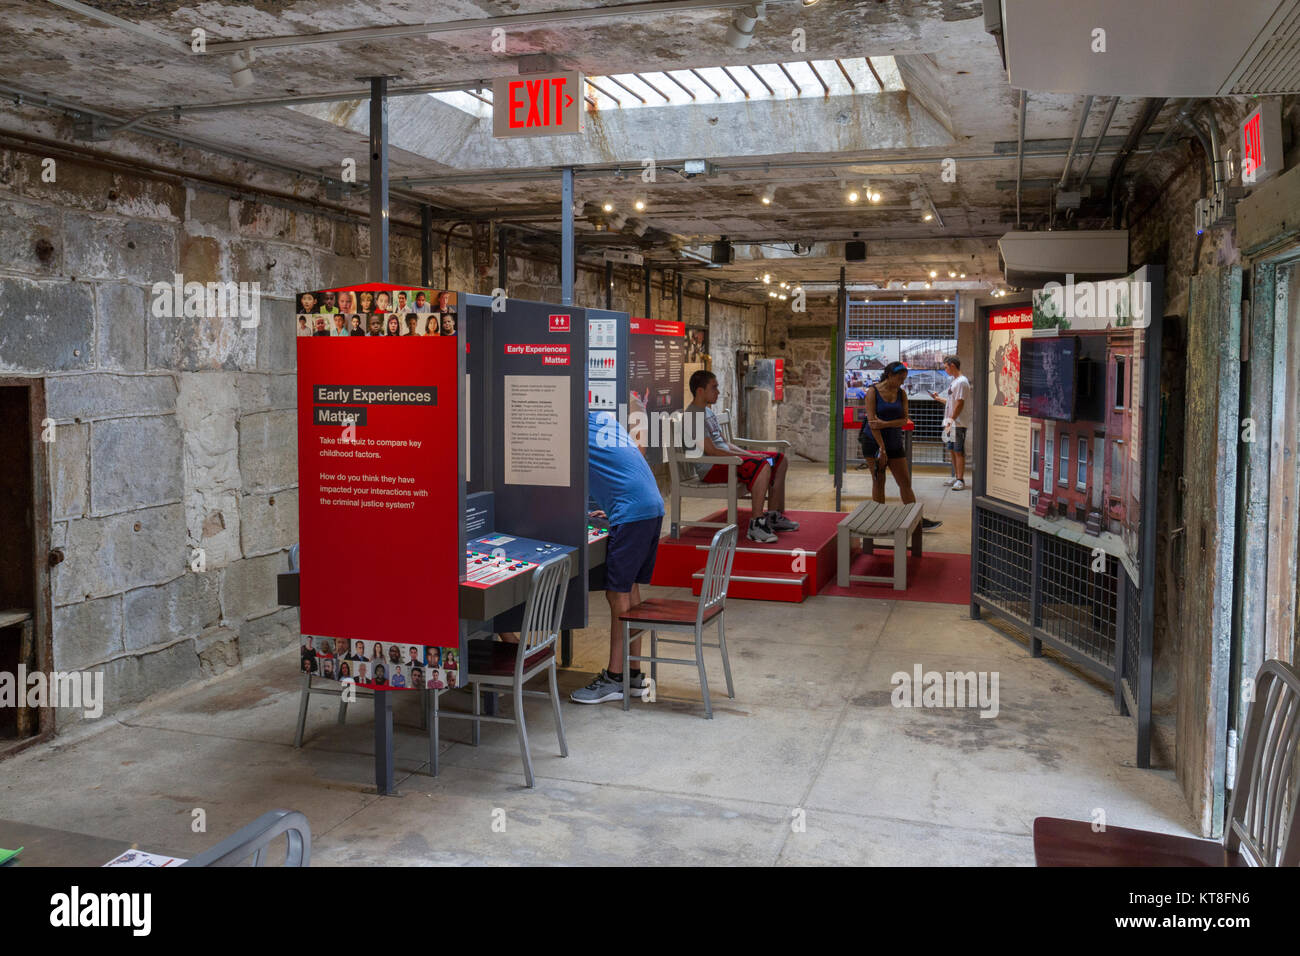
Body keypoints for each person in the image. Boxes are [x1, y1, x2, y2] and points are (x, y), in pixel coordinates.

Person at [571, 409, 664, 705]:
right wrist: (612, 508)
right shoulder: (602, 419)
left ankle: (614, 678)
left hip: (632, 512)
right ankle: (633, 675)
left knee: (617, 594)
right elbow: (620, 467)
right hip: (650, 506)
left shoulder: (572, 428)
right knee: (631, 590)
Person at [683, 369, 798, 544]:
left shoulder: (707, 412)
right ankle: (756, 525)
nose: (718, 392)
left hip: (726, 459)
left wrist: (750, 454)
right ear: (700, 391)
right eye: (714, 387)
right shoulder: (692, 416)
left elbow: (725, 444)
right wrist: (749, 459)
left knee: (778, 460)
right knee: (762, 466)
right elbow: (712, 451)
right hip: (712, 467)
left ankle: (773, 516)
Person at [862, 361, 942, 530]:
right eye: (899, 378)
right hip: (874, 442)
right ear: (889, 375)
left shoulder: (901, 394)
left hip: (894, 441)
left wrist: (885, 424)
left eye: (904, 378)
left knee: (905, 482)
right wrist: (882, 448)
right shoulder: (872, 392)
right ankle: (879, 520)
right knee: (879, 480)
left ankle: (916, 520)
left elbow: (903, 420)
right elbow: (872, 423)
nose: (902, 382)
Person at [929, 355, 971, 491]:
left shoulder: (962, 382)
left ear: (952, 365)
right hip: (950, 421)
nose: (945, 369)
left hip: (956, 422)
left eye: (946, 367)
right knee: (952, 449)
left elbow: (960, 404)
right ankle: (955, 476)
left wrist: (951, 420)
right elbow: (951, 402)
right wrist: (937, 398)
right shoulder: (954, 381)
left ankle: (960, 479)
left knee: (958, 450)